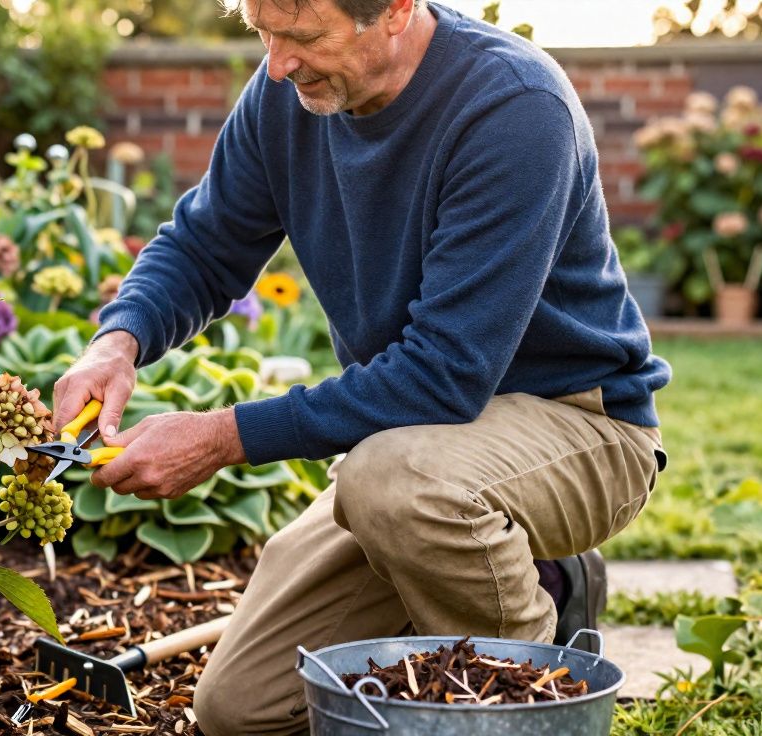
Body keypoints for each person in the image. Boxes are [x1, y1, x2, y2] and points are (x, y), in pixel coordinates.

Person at [50, 0, 671, 732]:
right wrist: (117, 341)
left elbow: (444, 372)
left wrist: (221, 437)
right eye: (264, 34)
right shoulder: (286, 96)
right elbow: (205, 244)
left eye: (304, 37)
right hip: (419, 444)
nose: (277, 64)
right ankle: (528, 577)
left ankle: (515, 694)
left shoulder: (514, 107)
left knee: (392, 483)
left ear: (397, 9)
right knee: (239, 710)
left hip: (579, 422)